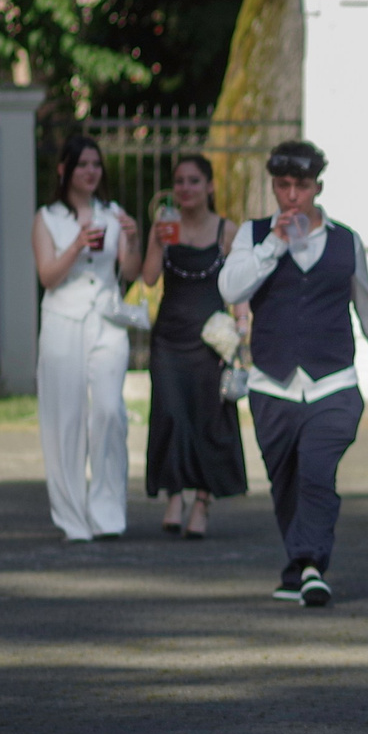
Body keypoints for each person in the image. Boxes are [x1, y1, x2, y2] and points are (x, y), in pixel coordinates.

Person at [218, 139, 368, 607]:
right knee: (284, 481)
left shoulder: (346, 241)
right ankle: (298, 568)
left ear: (317, 187)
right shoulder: (253, 233)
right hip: (270, 383)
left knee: (318, 472)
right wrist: (273, 245)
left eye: (301, 186)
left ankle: (311, 564)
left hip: (334, 383)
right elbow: (230, 286)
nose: (292, 195)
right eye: (283, 185)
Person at [33, 134, 141, 541]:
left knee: (110, 412)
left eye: (96, 164)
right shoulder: (47, 218)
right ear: (64, 170)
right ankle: (72, 515)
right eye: (83, 165)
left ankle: (108, 512)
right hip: (63, 320)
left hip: (107, 320)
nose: (91, 171)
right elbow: (48, 276)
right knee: (66, 418)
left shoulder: (113, 213)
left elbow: (129, 273)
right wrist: (77, 244)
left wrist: (130, 237)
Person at [138, 154, 247, 538]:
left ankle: (202, 501)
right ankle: (173, 495)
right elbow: (149, 278)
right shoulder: (166, 226)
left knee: (208, 418)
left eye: (193, 181)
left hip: (211, 339)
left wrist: (241, 327)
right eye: (179, 181)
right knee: (170, 414)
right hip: (169, 336)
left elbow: (238, 286)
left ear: (210, 187)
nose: (185, 188)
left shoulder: (227, 231)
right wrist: (154, 239)